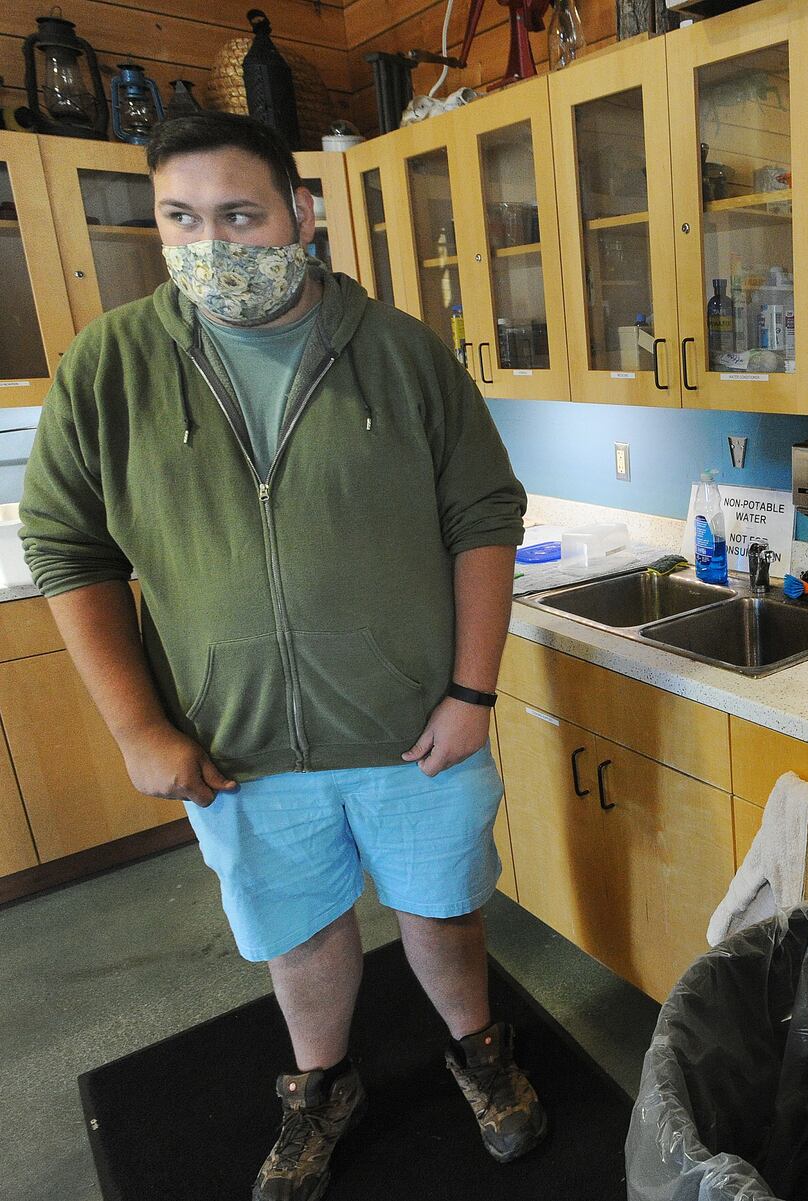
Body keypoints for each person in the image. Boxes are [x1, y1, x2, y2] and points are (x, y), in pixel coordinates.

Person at [20, 112, 543, 1200]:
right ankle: (323, 1082)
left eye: (239, 215)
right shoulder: (109, 368)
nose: (210, 245)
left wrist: (471, 693)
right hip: (236, 744)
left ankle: (481, 1053)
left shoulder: (402, 354)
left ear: (301, 216)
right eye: (180, 219)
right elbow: (69, 550)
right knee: (295, 934)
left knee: (442, 909)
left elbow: (485, 519)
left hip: (414, 729)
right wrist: (139, 728)